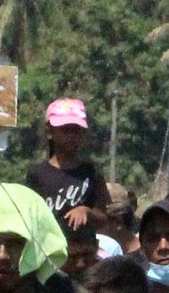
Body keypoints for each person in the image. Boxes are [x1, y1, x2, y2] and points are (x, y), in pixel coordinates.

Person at [26, 97, 111, 232]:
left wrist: (86, 211)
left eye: (76, 130)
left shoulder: (91, 172)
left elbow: (104, 219)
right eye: (65, 130)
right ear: (49, 132)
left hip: (83, 249)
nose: (71, 136)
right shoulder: (37, 174)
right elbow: (28, 218)